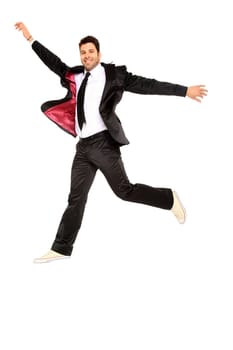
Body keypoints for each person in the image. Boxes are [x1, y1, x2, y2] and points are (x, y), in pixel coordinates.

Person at [15, 22, 208, 263]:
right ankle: (61, 248)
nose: (86, 56)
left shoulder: (114, 75)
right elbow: (54, 63)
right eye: (83, 52)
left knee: (124, 191)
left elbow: (147, 85)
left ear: (99, 53)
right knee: (76, 197)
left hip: (105, 144)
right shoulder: (75, 76)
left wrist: (183, 91)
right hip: (83, 147)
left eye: (90, 52)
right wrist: (31, 39)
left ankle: (169, 198)